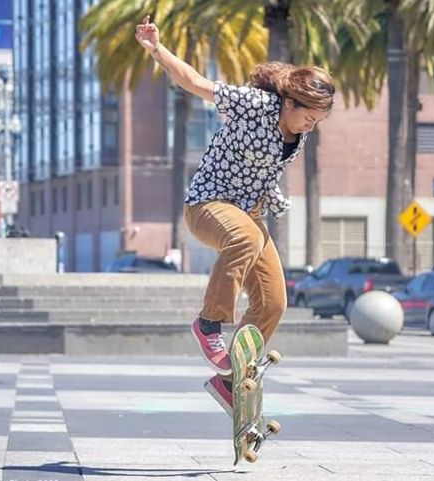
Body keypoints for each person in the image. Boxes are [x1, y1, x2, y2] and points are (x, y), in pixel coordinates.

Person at [135, 16, 335, 415]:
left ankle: (230, 383)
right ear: (289, 103)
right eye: (308, 117)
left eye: (317, 121)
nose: (310, 127)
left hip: (249, 215)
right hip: (207, 204)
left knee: (273, 302)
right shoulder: (255, 104)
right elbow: (194, 82)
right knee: (245, 236)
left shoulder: (299, 131)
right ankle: (209, 323)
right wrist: (157, 49)